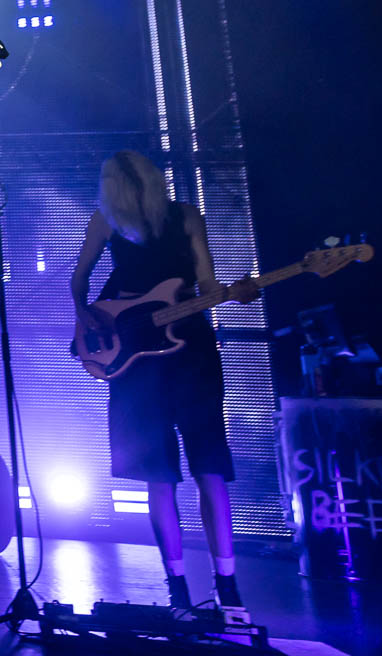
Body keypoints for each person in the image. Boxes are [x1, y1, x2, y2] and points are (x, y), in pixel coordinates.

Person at [68, 151, 258, 611]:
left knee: (209, 466)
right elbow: (78, 280)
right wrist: (88, 318)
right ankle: (176, 587)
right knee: (158, 475)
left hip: (190, 348)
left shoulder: (187, 217)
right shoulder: (105, 221)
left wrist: (237, 293)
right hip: (133, 357)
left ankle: (227, 587)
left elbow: (207, 284)